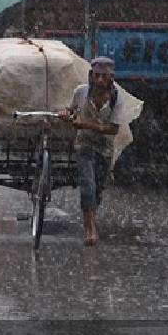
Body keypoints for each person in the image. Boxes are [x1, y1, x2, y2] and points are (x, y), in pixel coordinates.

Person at [59, 57, 122, 246]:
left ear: (111, 79)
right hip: (84, 145)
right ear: (91, 76)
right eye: (97, 76)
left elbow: (113, 129)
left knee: (98, 189)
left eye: (104, 77)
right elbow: (71, 110)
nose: (100, 81)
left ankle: (90, 218)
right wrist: (66, 114)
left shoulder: (116, 99)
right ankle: (90, 228)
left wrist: (86, 124)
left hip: (104, 149)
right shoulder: (81, 92)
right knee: (88, 185)